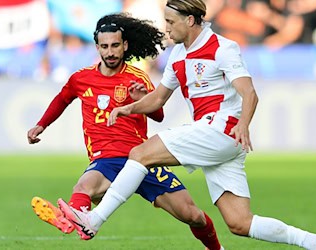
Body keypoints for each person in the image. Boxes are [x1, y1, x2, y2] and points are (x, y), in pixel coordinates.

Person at [57, 1, 316, 250]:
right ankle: (312, 241)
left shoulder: (222, 48)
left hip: (221, 129)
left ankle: (94, 219)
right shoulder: (178, 55)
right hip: (217, 139)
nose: (166, 28)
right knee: (239, 223)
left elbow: (249, 92)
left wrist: (243, 124)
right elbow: (158, 98)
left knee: (140, 154)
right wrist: (128, 108)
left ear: (189, 20)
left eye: (170, 22)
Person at [27, 13, 224, 250]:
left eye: (115, 46)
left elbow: (159, 115)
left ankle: (216, 249)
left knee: (192, 214)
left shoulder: (136, 77)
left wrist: (142, 99)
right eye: (105, 46)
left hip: (143, 158)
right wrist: (41, 124)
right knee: (83, 187)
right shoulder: (81, 78)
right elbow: (62, 99)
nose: (110, 52)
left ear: (125, 45)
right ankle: (73, 218)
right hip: (106, 159)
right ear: (97, 47)